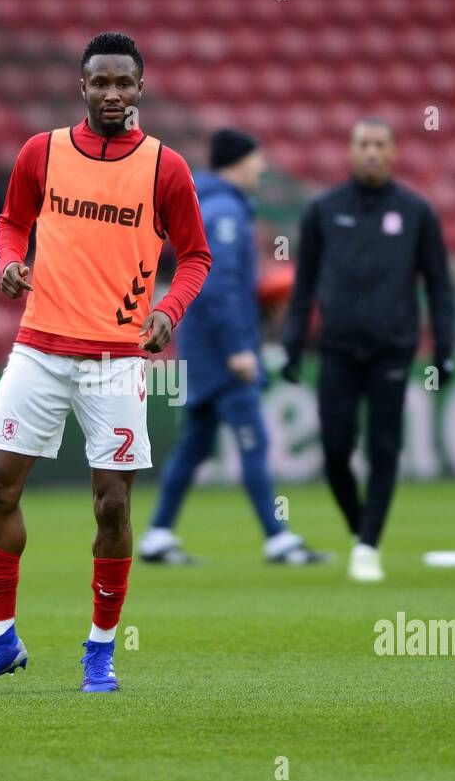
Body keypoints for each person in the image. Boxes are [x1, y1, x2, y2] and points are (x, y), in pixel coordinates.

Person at [0, 32, 209, 695]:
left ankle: (99, 651)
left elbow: (196, 257)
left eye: (124, 83)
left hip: (117, 359)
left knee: (112, 507)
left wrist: (169, 311)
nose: (113, 94)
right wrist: (8, 262)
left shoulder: (164, 168)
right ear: (81, 87)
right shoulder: (43, 151)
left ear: (141, 89)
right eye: (101, 83)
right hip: (38, 346)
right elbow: (10, 222)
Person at [139, 129, 328, 566]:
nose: (262, 167)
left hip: (204, 349)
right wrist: (238, 348)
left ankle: (157, 535)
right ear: (239, 162)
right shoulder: (224, 211)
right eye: (257, 159)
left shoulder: (215, 205)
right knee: (253, 440)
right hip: (222, 353)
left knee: (195, 445)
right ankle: (277, 538)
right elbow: (216, 286)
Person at [282, 118, 455, 582]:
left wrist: (445, 347)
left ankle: (368, 545)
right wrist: (293, 344)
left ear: (394, 151)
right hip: (336, 349)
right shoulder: (323, 209)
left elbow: (439, 285)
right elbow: (304, 286)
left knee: (384, 449)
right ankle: (363, 530)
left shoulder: (416, 211)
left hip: (391, 350)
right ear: (351, 151)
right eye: (364, 144)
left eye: (380, 144)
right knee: (335, 451)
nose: (372, 152)